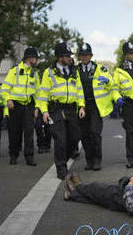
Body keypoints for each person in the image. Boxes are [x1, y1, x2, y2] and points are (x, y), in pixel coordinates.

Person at [37, 42, 85, 180]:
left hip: (71, 109)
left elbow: (79, 90)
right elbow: (43, 94)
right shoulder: (49, 72)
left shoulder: (74, 71)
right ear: (59, 57)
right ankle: (61, 168)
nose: (69, 58)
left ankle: (65, 156)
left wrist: (81, 106)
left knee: (75, 137)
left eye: (69, 55)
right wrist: (44, 111)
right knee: (60, 140)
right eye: (66, 55)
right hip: (55, 110)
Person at [77, 43, 115, 171]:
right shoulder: (75, 70)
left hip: (95, 105)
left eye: (86, 55)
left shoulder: (100, 69)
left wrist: (108, 81)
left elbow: (111, 84)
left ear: (91, 55)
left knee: (95, 133)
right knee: (84, 134)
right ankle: (89, 160)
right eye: (82, 55)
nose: (84, 57)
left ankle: (97, 160)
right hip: (81, 106)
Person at [0, 47, 40, 166]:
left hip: (28, 106)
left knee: (29, 132)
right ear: (29, 58)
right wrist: (8, 99)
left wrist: (37, 107)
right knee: (15, 133)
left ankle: (29, 157)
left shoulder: (35, 73)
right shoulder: (15, 71)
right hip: (15, 106)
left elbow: (38, 93)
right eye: (35, 58)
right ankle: (14, 155)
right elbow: (4, 89)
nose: (36, 60)